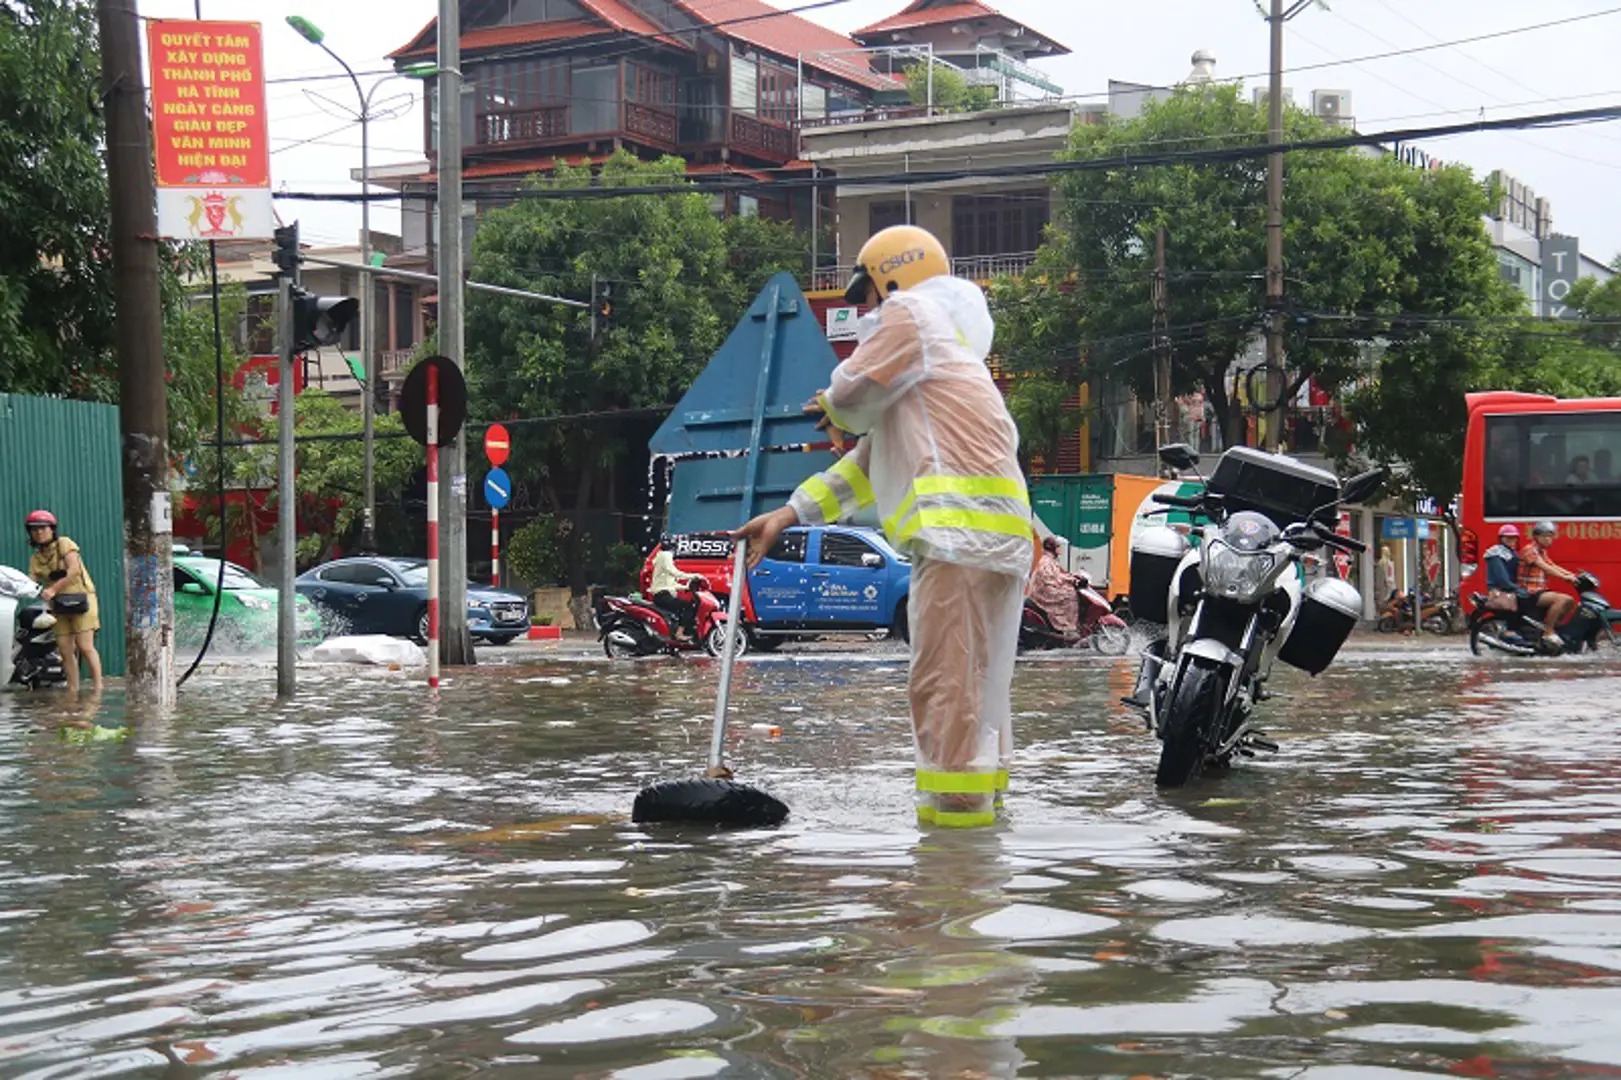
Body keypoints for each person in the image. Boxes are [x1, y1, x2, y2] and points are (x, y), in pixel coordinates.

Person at [733, 224, 1031, 829]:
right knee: (979, 699)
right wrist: (790, 514)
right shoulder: (946, 363)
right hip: (997, 547)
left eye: (865, 295)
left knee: (944, 693)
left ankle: (948, 865)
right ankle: (985, 837)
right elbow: (868, 466)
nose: (864, 312)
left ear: (892, 279)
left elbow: (852, 388)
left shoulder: (913, 314)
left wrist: (833, 403)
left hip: (956, 543)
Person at [24, 510, 103, 693]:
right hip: (58, 605)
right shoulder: (36, 558)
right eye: (34, 529)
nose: (39, 532)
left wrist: (52, 589)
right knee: (65, 649)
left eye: (43, 528)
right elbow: (30, 581)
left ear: (52, 529)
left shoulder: (65, 544)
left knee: (85, 646)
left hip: (82, 598)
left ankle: (98, 688)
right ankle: (73, 689)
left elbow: (74, 570)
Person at [1518, 520, 1579, 646]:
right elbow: (1545, 567)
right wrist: (1565, 578)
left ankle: (1551, 627)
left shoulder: (1542, 551)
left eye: (1550, 536)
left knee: (1570, 602)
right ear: (1536, 536)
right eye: (1544, 536)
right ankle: (1548, 632)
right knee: (1562, 600)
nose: (1548, 539)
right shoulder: (1529, 550)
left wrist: (1573, 575)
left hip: (1539, 591)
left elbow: (1553, 565)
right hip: (1528, 592)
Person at [1028, 535, 1081, 636]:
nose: (1061, 549)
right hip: (1043, 592)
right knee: (1071, 595)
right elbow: (1052, 579)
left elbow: (1059, 575)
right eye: (1058, 546)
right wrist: (1071, 581)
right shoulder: (1046, 562)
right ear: (1052, 548)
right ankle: (1067, 627)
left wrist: (1073, 577)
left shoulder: (1051, 560)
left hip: (1047, 588)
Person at [648, 538, 700, 641]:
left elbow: (670, 583)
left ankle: (676, 632)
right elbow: (674, 572)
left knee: (681, 609)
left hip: (661, 594)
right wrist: (693, 576)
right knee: (689, 606)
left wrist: (685, 587)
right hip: (663, 595)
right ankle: (679, 634)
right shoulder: (666, 555)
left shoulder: (660, 556)